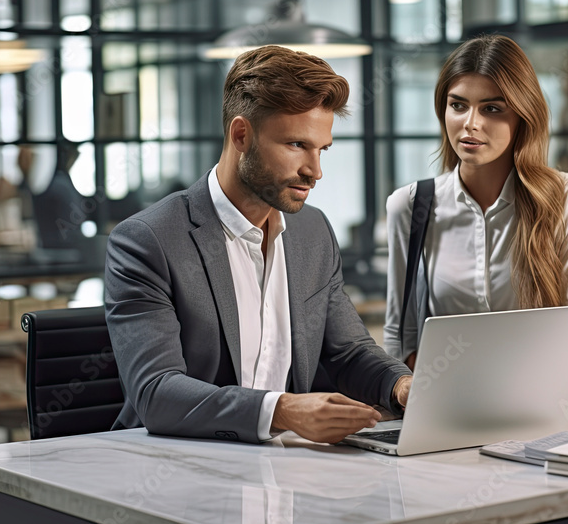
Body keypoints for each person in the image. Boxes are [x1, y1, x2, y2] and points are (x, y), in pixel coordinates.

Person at [104, 45, 412, 445]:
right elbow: (156, 392)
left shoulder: (312, 231)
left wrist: (401, 386)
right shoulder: (149, 241)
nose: (314, 171)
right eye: (296, 145)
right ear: (241, 135)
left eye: (322, 150)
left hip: (283, 469)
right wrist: (282, 410)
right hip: (173, 470)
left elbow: (347, 352)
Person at [383, 35, 568, 367]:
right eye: (458, 105)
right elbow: (400, 333)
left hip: (540, 401)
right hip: (445, 403)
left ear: (522, 116)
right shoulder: (409, 206)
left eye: (492, 108)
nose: (470, 123)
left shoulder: (564, 197)